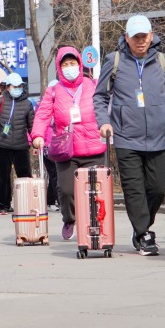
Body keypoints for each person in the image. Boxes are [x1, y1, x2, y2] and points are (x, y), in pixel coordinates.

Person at [94, 15, 165, 256]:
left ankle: (141, 229)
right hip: (127, 137)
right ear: (126, 37)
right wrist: (104, 122)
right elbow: (100, 97)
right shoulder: (114, 61)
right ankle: (144, 235)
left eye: (144, 36)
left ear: (151, 36)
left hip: (158, 137)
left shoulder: (162, 61)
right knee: (134, 189)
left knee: (157, 188)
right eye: (135, 36)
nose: (140, 41)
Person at [32, 48, 103, 240]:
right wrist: (37, 135)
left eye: (72, 63)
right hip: (66, 150)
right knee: (66, 190)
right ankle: (69, 219)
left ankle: (95, 225)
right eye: (65, 64)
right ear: (59, 68)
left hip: (94, 147)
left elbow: (105, 108)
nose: (69, 68)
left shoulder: (93, 85)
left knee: (95, 192)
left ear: (79, 65)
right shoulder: (54, 91)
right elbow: (42, 114)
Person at [0, 72, 35, 214]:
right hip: (2, 144)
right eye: (14, 86)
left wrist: (35, 140)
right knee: (3, 176)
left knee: (24, 175)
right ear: (8, 87)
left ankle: (27, 203)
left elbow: (32, 126)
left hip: (21, 146)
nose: (17, 88)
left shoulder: (27, 104)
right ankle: (3, 205)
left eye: (20, 86)